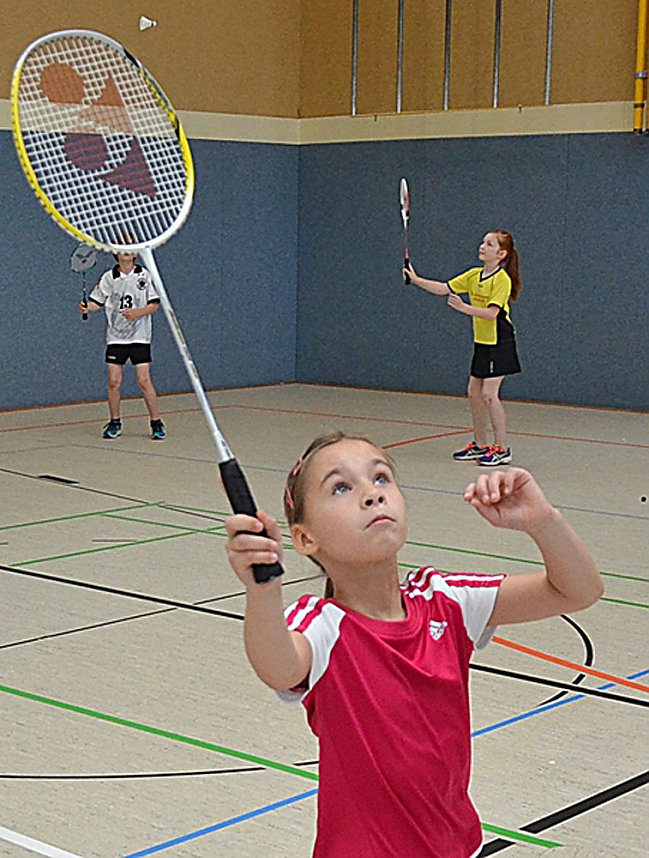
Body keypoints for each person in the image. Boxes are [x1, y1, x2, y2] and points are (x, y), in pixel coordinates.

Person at [225, 430, 603, 858]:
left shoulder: (445, 599)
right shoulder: (322, 625)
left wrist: (542, 520)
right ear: (305, 539)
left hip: (460, 847)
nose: (372, 495)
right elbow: (279, 666)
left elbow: (578, 590)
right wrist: (263, 589)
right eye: (341, 487)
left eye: (381, 478)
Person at [405, 230, 522, 467]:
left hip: (500, 341)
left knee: (489, 394)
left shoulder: (502, 280)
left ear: (501, 254)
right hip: (482, 341)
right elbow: (443, 288)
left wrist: (463, 308)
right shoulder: (473, 275)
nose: (482, 246)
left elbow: (492, 314)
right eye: (483, 242)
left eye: (489, 244)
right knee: (474, 393)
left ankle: (502, 449)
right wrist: (415, 279)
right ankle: (480, 445)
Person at [80, 251, 166, 440]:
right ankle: (114, 422)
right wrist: (88, 308)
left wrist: (138, 312)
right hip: (116, 338)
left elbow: (154, 305)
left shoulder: (144, 275)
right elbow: (97, 302)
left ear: (135, 253)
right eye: (121, 248)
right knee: (113, 381)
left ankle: (156, 423)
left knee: (144, 380)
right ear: (116, 253)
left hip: (140, 337)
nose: (126, 251)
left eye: (130, 247)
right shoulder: (109, 277)